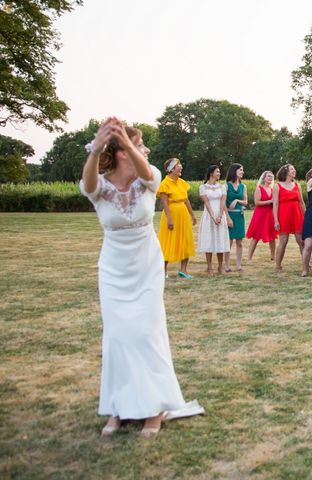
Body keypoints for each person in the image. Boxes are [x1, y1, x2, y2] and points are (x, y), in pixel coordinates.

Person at [80, 118, 203, 438]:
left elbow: (147, 171)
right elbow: (89, 185)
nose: (145, 149)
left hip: (145, 264)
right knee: (118, 335)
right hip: (113, 268)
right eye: (139, 144)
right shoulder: (100, 185)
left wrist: (126, 140)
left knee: (146, 332)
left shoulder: (151, 179)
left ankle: (154, 408)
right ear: (121, 153)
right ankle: (118, 408)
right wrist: (97, 146)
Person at [157, 157, 196, 278]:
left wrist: (192, 214)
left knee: (185, 239)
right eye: (178, 166)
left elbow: (186, 200)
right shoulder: (165, 184)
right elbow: (164, 203)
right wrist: (169, 219)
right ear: (171, 169)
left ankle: (183, 270)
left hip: (183, 215)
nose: (181, 167)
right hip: (171, 214)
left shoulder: (182, 182)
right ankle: (163, 271)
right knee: (168, 241)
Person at [198, 165, 231, 276]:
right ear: (211, 173)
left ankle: (220, 267)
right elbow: (206, 203)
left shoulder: (222, 187)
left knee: (220, 239)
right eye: (217, 172)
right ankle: (209, 267)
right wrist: (213, 216)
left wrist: (220, 216)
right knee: (209, 239)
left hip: (219, 214)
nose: (219, 174)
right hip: (209, 215)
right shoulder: (203, 187)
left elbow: (223, 201)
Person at [272, 163, 306, 273]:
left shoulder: (297, 185)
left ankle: (305, 265)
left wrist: (306, 216)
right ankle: (277, 266)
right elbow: (275, 204)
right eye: (292, 169)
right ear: (286, 172)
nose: (294, 171)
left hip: (297, 214)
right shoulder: (277, 186)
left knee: (301, 241)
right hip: (284, 215)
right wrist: (276, 220)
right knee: (283, 241)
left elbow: (301, 202)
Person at [246, 170, 278, 261]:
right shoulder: (259, 188)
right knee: (256, 236)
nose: (270, 178)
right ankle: (249, 257)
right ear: (264, 178)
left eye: (272, 176)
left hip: (270, 214)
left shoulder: (273, 189)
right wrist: (270, 201)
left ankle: (273, 256)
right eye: (268, 176)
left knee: (272, 236)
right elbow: (257, 202)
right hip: (260, 215)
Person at [225, 163, 247, 272]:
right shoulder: (226, 186)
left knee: (239, 242)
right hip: (229, 215)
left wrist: (237, 200)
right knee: (229, 242)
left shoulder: (243, 186)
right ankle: (226, 265)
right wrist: (228, 218)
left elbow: (246, 202)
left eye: (243, 170)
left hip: (239, 215)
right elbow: (222, 203)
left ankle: (239, 265)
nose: (242, 172)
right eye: (241, 170)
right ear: (234, 171)